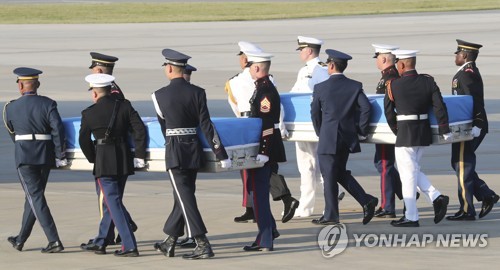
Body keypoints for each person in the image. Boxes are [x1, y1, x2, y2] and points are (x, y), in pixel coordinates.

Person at [152, 49, 231, 259]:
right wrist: (220, 152)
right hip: (193, 150)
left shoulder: (158, 95)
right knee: (183, 195)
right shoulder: (198, 92)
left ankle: (202, 242)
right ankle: (170, 241)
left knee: (184, 196)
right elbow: (207, 125)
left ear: (169, 68)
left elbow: (164, 128)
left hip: (175, 150)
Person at [225, 41, 298, 223]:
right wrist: (280, 126)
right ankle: (252, 207)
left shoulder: (234, 82)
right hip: (263, 126)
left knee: (256, 169)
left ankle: (281, 200)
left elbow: (236, 108)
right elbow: (278, 107)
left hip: (249, 126)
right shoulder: (268, 79)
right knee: (258, 168)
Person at [78, 73, 147, 257]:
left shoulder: (89, 113)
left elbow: (83, 140)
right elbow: (139, 129)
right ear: (111, 90)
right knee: (113, 201)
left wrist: (94, 158)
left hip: (103, 160)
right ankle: (102, 241)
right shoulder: (124, 106)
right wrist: (139, 154)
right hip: (123, 159)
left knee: (113, 202)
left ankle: (129, 245)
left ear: (94, 93)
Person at [311, 49, 378, 225]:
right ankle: (366, 200)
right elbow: (366, 108)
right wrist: (360, 130)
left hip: (328, 137)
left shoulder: (320, 88)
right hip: (347, 138)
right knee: (339, 172)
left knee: (329, 176)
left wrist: (321, 132)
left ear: (331, 65)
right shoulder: (354, 86)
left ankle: (331, 215)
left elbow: (315, 114)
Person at [384, 49, 450, 227]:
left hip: (405, 133)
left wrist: (396, 131)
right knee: (412, 171)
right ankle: (436, 197)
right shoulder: (428, 81)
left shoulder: (393, 85)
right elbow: (439, 106)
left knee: (408, 176)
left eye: (398, 62)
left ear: (402, 64)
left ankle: (411, 216)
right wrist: (444, 127)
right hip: (423, 132)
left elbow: (389, 113)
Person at [4, 67, 66, 253]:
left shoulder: (10, 107)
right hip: (44, 155)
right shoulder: (48, 104)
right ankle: (21, 239)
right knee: (33, 196)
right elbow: (58, 129)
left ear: (20, 85)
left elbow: (12, 132)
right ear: (37, 84)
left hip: (25, 156)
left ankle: (54, 240)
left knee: (35, 197)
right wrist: (59, 154)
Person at [87, 52, 137, 247]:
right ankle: (119, 227)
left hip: (109, 154)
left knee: (106, 199)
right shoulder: (115, 90)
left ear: (98, 71)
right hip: (116, 153)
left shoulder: (112, 93)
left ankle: (105, 236)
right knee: (111, 197)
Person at [291, 36, 344, 218]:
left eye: (302, 49)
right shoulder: (302, 70)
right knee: (305, 166)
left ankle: (332, 200)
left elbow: (325, 96)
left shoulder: (321, 70)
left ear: (310, 50)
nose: (300, 53)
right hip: (302, 124)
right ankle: (305, 207)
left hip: (316, 125)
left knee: (323, 167)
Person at [446, 39, 499, 221]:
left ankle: (468, 209)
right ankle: (486, 194)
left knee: (463, 165)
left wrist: (477, 124)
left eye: (458, 53)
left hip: (469, 127)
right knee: (459, 163)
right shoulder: (466, 72)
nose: (455, 55)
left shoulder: (467, 75)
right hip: (466, 126)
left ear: (465, 55)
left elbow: (472, 101)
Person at [242, 50, 285, 251]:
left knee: (259, 195)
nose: (249, 69)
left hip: (266, 147)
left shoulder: (265, 90)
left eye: (250, 66)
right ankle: (269, 231)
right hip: (265, 144)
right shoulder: (262, 87)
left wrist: (264, 152)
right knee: (258, 193)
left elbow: (266, 123)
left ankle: (265, 239)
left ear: (257, 67)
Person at [371, 44, 404, 218]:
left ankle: (387, 206)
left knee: (384, 165)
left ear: (383, 59)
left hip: (388, 130)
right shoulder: (389, 77)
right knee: (382, 163)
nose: (376, 61)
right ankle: (407, 192)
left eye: (377, 57)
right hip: (389, 129)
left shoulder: (389, 78)